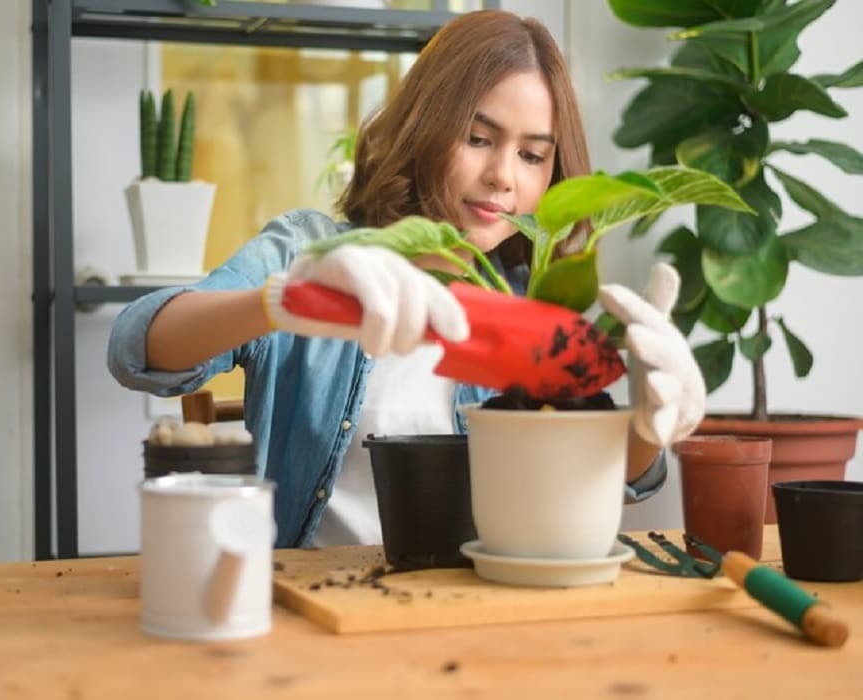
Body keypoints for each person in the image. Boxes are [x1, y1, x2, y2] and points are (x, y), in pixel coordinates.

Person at [108, 10, 705, 549]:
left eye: (531, 155)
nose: (502, 176)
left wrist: (649, 422)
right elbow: (136, 345)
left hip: (473, 611)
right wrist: (283, 300)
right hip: (311, 606)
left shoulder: (530, 299)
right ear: (425, 125)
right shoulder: (309, 251)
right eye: (478, 138)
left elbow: (611, 480)